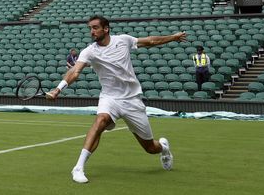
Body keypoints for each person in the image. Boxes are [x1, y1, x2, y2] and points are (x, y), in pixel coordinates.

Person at [46, 15, 185, 184]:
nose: (92, 31)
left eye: (95, 27)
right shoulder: (89, 51)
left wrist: (173, 37)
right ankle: (78, 167)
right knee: (100, 121)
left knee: (150, 148)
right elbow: (75, 71)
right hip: (109, 97)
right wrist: (58, 88)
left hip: (132, 100)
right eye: (90, 28)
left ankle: (164, 148)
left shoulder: (123, 40)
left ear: (106, 29)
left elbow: (150, 41)